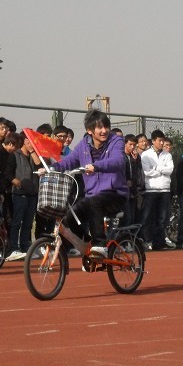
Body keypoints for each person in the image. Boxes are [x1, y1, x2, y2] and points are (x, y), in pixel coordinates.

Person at [51, 110, 128, 256]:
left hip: (115, 194)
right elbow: (69, 161)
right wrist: (51, 168)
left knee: (94, 202)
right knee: (69, 218)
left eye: (106, 126)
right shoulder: (83, 145)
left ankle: (100, 245)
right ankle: (88, 244)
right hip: (92, 195)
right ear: (89, 130)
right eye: (99, 127)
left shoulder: (116, 141)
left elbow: (118, 160)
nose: (104, 131)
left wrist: (97, 166)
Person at [4, 133, 42, 262]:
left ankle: (26, 247)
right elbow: (8, 174)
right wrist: (18, 183)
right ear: (24, 141)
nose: (32, 143)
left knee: (28, 223)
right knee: (17, 222)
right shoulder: (15, 155)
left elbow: (40, 167)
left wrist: (32, 151)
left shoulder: (34, 155)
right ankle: (14, 247)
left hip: (33, 194)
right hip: (19, 195)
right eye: (29, 140)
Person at [140, 129, 174, 251]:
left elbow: (170, 170)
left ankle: (159, 242)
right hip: (151, 190)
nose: (162, 143)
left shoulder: (167, 155)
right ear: (153, 141)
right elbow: (147, 172)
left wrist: (156, 168)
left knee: (163, 218)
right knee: (149, 217)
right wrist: (161, 170)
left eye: (163, 140)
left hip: (165, 190)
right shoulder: (146, 155)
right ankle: (147, 241)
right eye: (159, 140)